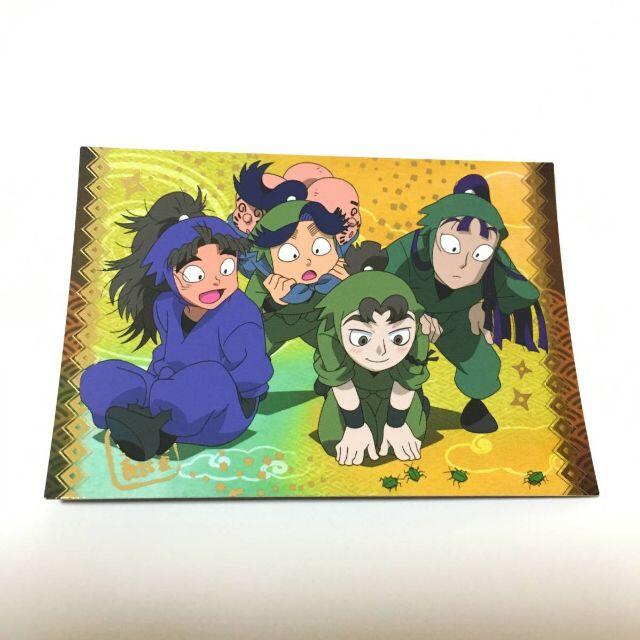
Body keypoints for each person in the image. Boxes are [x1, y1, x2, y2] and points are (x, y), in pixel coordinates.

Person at [80, 190, 273, 461]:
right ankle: (128, 418)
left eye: (226, 268)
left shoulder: (241, 314)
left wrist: (181, 387)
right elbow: (166, 353)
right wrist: (160, 381)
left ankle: (157, 432)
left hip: (221, 414)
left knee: (210, 378)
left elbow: (251, 378)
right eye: (196, 273)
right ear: (170, 274)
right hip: (166, 391)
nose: (215, 281)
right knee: (102, 375)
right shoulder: (166, 306)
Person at [385, 174, 546, 433]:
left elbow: (522, 292)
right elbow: (376, 280)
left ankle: (475, 407)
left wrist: (487, 308)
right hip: (404, 315)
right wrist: (411, 313)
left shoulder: (496, 263)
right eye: (451, 245)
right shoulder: (410, 248)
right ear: (435, 232)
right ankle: (404, 400)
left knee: (483, 367)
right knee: (390, 356)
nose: (463, 263)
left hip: (458, 317)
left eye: (480, 253)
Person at [313, 271, 432, 465]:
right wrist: (355, 426)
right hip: (352, 386)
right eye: (362, 338)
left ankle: (420, 403)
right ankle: (327, 390)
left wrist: (396, 424)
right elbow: (341, 380)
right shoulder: (329, 333)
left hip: (394, 387)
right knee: (333, 440)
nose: (381, 351)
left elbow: (408, 379)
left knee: (411, 437)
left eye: (398, 338)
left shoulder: (419, 332)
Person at [245, 199, 350, 355]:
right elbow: (245, 321)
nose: (308, 261)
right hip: (276, 327)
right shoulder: (263, 280)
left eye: (319, 248)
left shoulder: (343, 270)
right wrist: (274, 303)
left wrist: (349, 287)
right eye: (290, 254)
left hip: (323, 325)